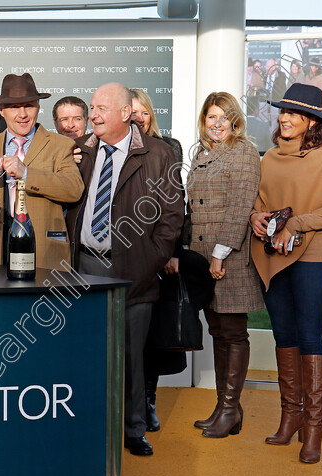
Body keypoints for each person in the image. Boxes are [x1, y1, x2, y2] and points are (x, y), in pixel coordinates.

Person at [65, 83, 183, 456]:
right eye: (92, 107)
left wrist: (149, 260)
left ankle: (133, 430)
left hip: (134, 271)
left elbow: (171, 218)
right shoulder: (79, 149)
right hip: (82, 265)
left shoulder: (159, 154)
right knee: (85, 353)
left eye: (101, 108)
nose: (94, 114)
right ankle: (88, 424)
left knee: (132, 356)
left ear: (125, 113)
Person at [250, 83, 322, 464]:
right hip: (274, 253)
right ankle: (290, 417)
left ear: (311, 120)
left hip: (316, 253)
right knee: (283, 333)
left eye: (293, 113)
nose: (284, 118)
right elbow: (261, 201)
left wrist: (295, 224)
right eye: (282, 111)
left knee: (311, 336)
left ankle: (313, 431)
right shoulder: (269, 158)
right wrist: (255, 215)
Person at [186, 92, 264, 438]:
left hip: (229, 257)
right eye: (211, 117)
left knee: (232, 332)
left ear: (235, 122)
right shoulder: (202, 154)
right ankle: (226, 408)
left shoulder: (244, 151)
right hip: (203, 259)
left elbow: (240, 206)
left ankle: (229, 409)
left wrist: (220, 252)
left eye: (224, 118)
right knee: (217, 330)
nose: (217, 124)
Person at [0, 73, 83, 270]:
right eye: (14, 107)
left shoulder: (61, 145)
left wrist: (26, 173)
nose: (22, 114)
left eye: (29, 106)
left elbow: (73, 190)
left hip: (45, 253)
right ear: (2, 110)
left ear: (38, 108)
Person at [129, 88, 185, 432]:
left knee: (150, 339)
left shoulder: (170, 148)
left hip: (156, 256)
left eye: (144, 113)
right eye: (132, 113)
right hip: (122, 254)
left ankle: (148, 402)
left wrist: (172, 251)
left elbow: (177, 204)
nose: (138, 119)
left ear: (152, 116)